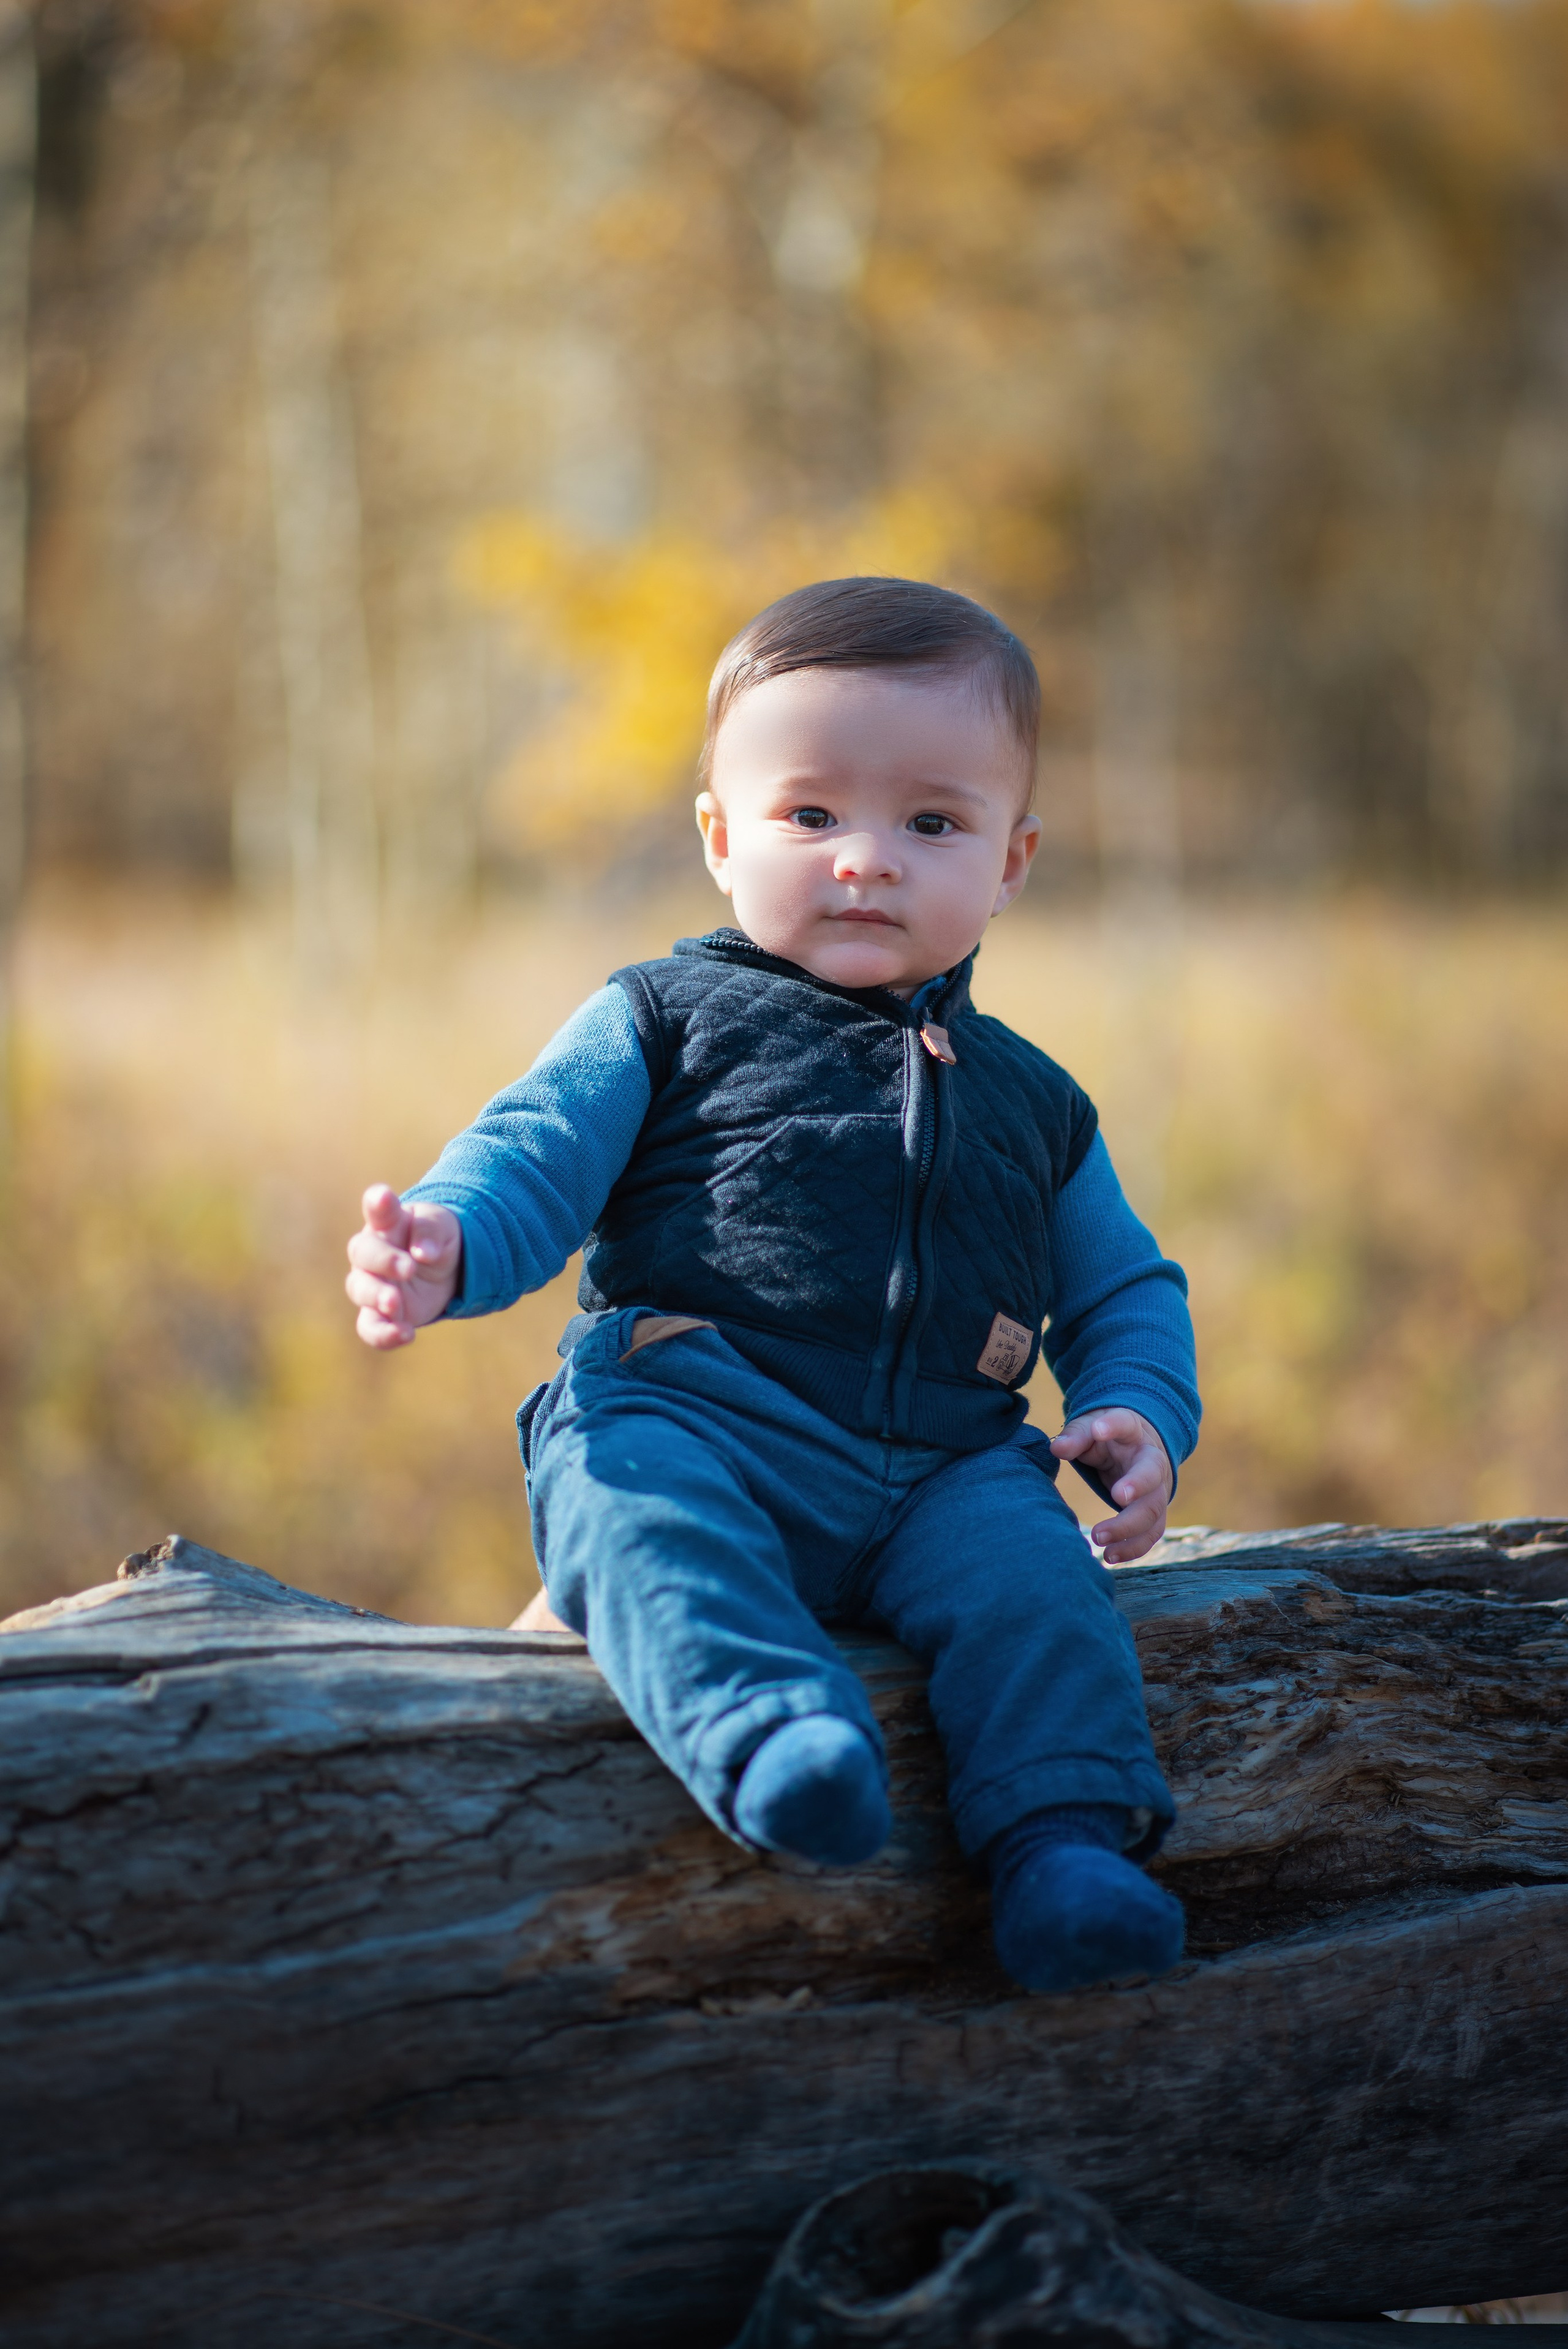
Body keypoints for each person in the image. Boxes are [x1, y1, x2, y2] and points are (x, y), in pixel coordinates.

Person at [344, 576, 1200, 1995]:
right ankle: (772, 1733)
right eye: (811, 815)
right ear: (718, 836)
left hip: (944, 1468)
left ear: (1011, 860)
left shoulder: (1037, 1104)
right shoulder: (664, 1015)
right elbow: (530, 1157)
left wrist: (1133, 1407)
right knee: (629, 1509)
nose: (866, 858)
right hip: (699, 1404)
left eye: (931, 821)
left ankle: (1065, 1852)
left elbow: (1123, 1288)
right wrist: (447, 1242)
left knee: (1039, 1597)